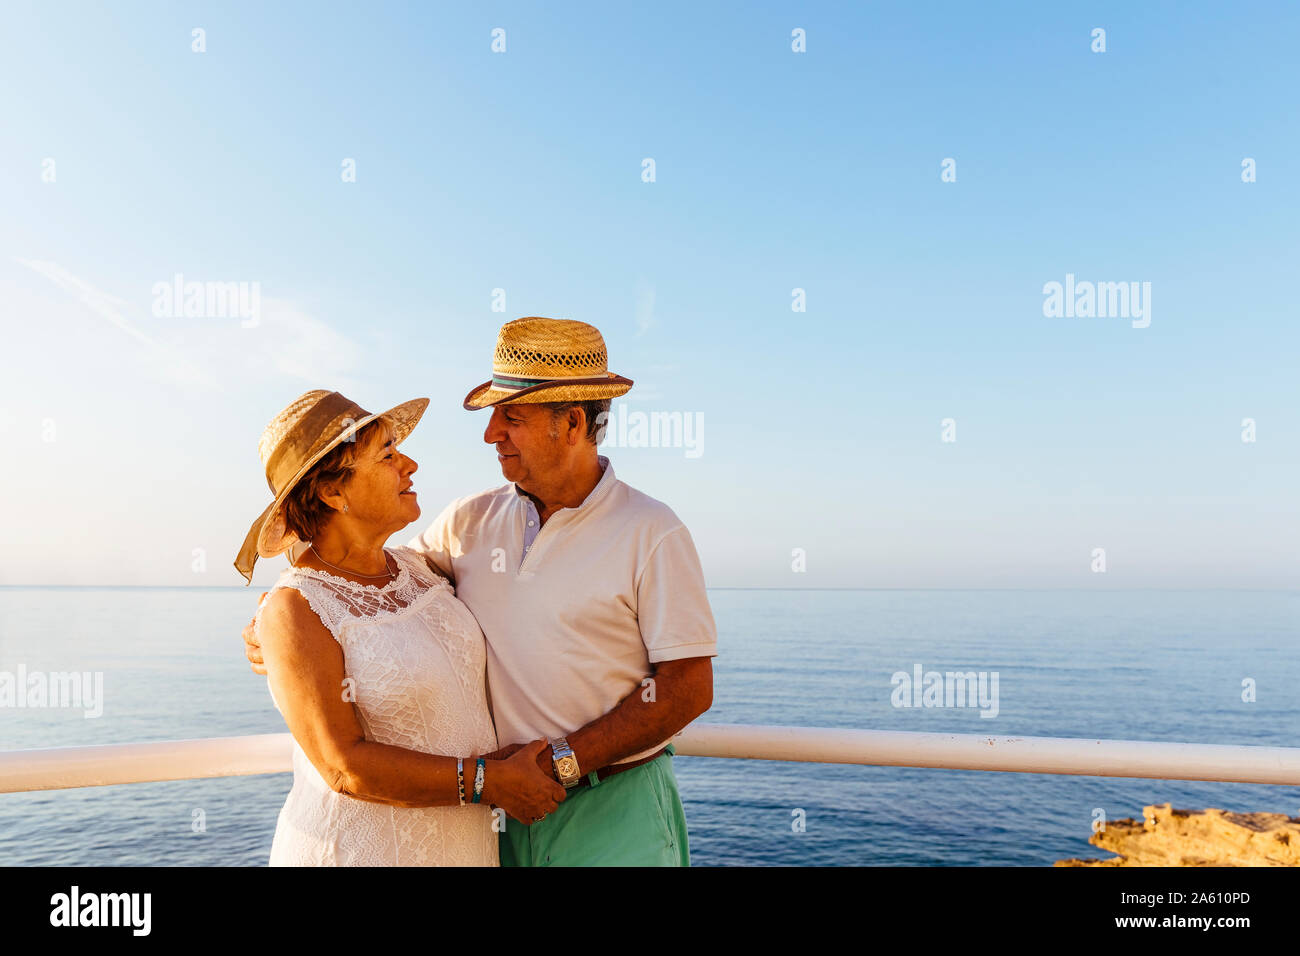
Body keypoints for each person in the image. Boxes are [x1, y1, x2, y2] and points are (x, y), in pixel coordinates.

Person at [246, 317, 718, 866]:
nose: (491, 434)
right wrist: (271, 615)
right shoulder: (470, 520)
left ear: (570, 423)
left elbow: (687, 689)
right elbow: (351, 582)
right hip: (495, 820)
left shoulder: (652, 531)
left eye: (510, 417)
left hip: (611, 807)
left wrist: (559, 764)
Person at [234, 389, 564, 866]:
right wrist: (490, 781)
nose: (409, 464)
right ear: (333, 491)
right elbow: (344, 767)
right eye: (387, 455)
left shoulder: (420, 569)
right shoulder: (295, 607)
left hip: (460, 847)